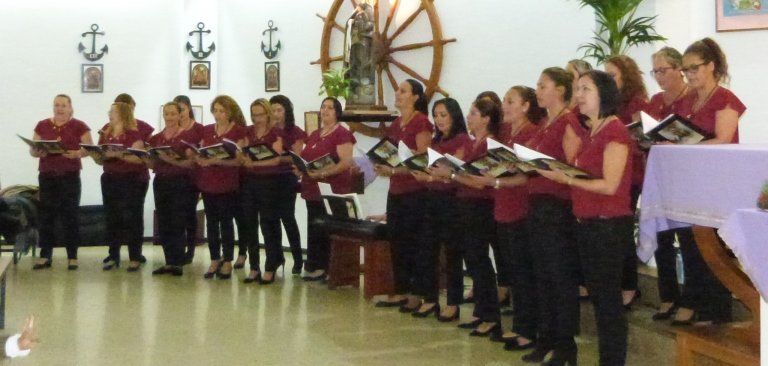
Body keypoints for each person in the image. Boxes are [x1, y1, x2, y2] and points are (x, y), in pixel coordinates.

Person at [539, 70, 633, 365]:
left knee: (608, 305)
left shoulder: (615, 131)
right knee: (601, 301)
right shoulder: (592, 130)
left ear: (603, 94)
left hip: (607, 226)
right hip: (587, 225)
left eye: (585, 89)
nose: (578, 95)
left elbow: (609, 185)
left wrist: (566, 180)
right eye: (577, 89)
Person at [670, 37, 745, 326]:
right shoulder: (688, 99)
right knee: (691, 245)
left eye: (694, 68)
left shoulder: (725, 98)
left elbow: (724, 139)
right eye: (685, 69)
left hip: (717, 182)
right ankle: (699, 304)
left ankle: (718, 313)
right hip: (692, 182)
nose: (688, 74)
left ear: (711, 66)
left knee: (714, 248)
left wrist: (682, 146)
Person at [349, 79, 432, 311]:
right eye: (397, 90)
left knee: (415, 243)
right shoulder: (397, 123)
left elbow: (422, 161)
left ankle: (417, 293)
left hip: (415, 192)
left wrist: (395, 169)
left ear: (416, 97)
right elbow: (387, 152)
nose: (398, 94)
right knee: (398, 242)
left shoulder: (422, 122)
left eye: (403, 91)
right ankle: (401, 290)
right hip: (396, 190)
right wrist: (366, 166)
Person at [472, 86, 544, 350]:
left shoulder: (531, 133)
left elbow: (526, 175)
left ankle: (527, 329)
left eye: (510, 101)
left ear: (525, 106)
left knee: (524, 272)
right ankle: (519, 325)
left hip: (520, 207)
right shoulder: (506, 134)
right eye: (504, 100)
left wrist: (496, 181)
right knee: (514, 271)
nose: (504, 105)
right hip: (502, 207)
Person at [520, 67, 582, 362]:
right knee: (542, 275)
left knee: (559, 277)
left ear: (560, 89)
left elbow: (573, 165)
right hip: (537, 203)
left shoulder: (568, 121)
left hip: (557, 206)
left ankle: (565, 344)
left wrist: (542, 165)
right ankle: (545, 338)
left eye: (542, 85)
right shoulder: (546, 122)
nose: (538, 91)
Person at [431, 98, 501, 337]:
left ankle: (491, 316)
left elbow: (480, 182)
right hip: (465, 204)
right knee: (473, 260)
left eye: (473, 113)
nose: (469, 117)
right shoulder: (475, 143)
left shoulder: (489, 145)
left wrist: (451, 176)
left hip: (479, 206)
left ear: (486, 119)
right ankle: (482, 312)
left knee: (479, 261)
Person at [410, 97, 471, 320]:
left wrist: (443, 175)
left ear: (454, 116)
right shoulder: (435, 141)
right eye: (436, 115)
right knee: (428, 249)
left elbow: (458, 171)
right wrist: (423, 175)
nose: (439, 120)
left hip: (452, 200)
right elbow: (433, 171)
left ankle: (453, 302)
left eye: (443, 115)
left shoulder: (463, 139)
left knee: (453, 252)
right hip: (432, 198)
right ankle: (430, 298)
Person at [646, 47, 690, 321]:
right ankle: (668, 295)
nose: (659, 77)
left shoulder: (691, 98)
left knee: (687, 239)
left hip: (685, 177)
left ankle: (690, 298)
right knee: (662, 237)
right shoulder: (655, 100)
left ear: (678, 69)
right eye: (655, 72)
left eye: (663, 70)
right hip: (661, 174)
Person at [604, 55, 649, 309]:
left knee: (622, 233)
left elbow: (644, 138)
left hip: (631, 174)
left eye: (613, 76)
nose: (608, 80)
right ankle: (619, 284)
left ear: (626, 77)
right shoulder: (608, 104)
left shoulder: (636, 103)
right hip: (612, 173)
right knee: (615, 234)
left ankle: (629, 286)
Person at [296, 97, 356, 281]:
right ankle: (316, 265)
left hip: (332, 189)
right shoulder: (315, 134)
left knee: (330, 228)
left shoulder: (342, 134)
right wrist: (300, 167)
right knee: (315, 227)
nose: (325, 110)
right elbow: (306, 157)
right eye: (323, 107)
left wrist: (322, 174)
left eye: (330, 107)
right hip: (312, 188)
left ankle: (331, 268)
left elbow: (345, 163)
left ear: (337, 112)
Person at [30, 95, 92, 270]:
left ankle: (72, 256)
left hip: (69, 176)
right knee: (46, 216)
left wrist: (78, 154)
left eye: (63, 105)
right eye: (56, 105)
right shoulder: (42, 125)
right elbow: (33, 150)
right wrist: (37, 152)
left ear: (70, 108)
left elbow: (89, 148)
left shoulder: (79, 125)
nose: (60, 108)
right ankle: (45, 256)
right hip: (47, 175)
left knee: (70, 216)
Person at [88, 102, 148, 272]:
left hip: (131, 180)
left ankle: (134, 257)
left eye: (113, 111)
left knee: (132, 218)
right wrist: (96, 156)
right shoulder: (106, 132)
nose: (109, 113)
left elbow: (139, 158)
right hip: (110, 178)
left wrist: (118, 154)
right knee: (112, 218)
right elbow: (101, 159)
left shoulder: (132, 133)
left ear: (122, 114)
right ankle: (113, 255)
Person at [196, 96, 248, 280]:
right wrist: (201, 159)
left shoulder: (238, 131)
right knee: (211, 223)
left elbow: (240, 160)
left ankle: (227, 260)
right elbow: (200, 152)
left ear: (230, 112)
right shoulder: (207, 130)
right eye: (216, 110)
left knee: (226, 222)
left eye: (222, 111)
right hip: (208, 182)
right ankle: (214, 258)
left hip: (228, 183)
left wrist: (218, 160)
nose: (218, 115)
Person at [147, 102, 200, 276]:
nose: (169, 117)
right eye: (166, 114)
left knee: (178, 221)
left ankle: (177, 261)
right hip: (161, 181)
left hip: (181, 182)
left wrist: (169, 160)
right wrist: (142, 156)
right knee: (164, 222)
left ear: (179, 115)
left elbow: (190, 163)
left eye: (172, 114)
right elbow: (152, 163)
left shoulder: (187, 137)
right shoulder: (156, 138)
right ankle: (169, 260)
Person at [239, 99, 285, 284]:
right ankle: (254, 266)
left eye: (260, 114)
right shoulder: (248, 131)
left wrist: (255, 163)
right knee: (250, 224)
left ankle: (270, 265)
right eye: (254, 115)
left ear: (267, 113)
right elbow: (240, 151)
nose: (257, 119)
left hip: (269, 182)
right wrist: (243, 158)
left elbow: (276, 160)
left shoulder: (275, 132)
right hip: (250, 181)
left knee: (268, 224)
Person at [269, 95, 307, 275]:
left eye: (279, 110)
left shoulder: (296, 131)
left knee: (288, 218)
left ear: (287, 112)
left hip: (287, 178)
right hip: (268, 177)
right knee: (271, 219)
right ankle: (276, 257)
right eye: (273, 110)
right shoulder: (267, 131)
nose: (276, 114)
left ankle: (298, 259)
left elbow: (295, 156)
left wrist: (276, 158)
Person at [173, 95, 205, 265]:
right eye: (177, 110)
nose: (181, 113)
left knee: (189, 213)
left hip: (192, 176)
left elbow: (202, 151)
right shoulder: (172, 129)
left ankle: (190, 249)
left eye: (183, 109)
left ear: (189, 109)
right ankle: (176, 248)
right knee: (176, 215)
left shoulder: (199, 128)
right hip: (174, 176)